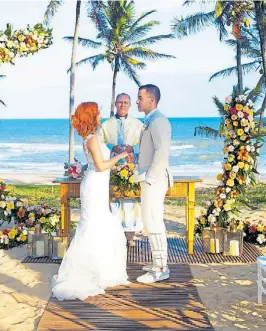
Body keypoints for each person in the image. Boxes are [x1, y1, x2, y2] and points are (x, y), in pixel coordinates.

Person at [51, 102, 130, 301]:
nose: (100, 115)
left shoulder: (89, 138)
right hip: (95, 185)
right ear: (92, 116)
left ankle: (100, 269)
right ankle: (93, 271)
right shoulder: (92, 139)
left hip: (96, 185)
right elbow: (101, 166)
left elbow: (97, 164)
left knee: (96, 224)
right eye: (98, 112)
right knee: (94, 225)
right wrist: (120, 156)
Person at [132, 84, 174, 284]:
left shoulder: (159, 121)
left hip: (155, 179)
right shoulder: (150, 121)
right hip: (149, 177)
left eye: (140, 98)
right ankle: (157, 261)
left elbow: (161, 152)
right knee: (149, 221)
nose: (137, 101)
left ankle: (160, 268)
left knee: (153, 221)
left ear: (151, 99)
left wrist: (150, 177)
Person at [97, 93, 145, 246]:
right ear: (115, 105)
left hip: (132, 167)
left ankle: (130, 237)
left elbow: (145, 144)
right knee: (115, 200)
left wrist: (133, 148)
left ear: (130, 105)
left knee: (131, 200)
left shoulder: (138, 124)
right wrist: (113, 147)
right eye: (120, 102)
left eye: (125, 102)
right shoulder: (106, 125)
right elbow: (98, 144)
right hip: (113, 168)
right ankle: (116, 235)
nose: (123, 105)